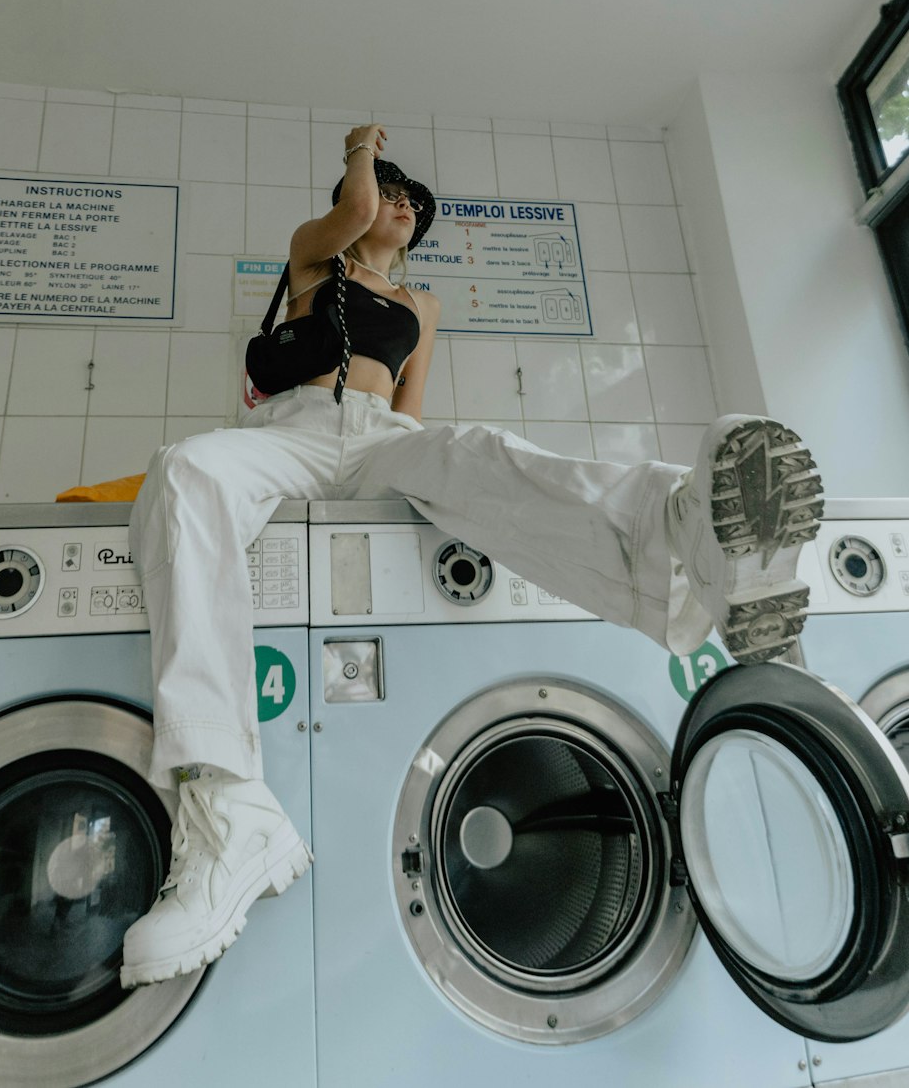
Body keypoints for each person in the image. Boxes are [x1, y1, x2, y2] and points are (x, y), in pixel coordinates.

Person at [120, 122, 823, 989]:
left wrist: (425, 472)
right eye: (399, 199)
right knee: (185, 470)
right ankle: (228, 814)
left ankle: (686, 535)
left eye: (418, 209)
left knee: (479, 453)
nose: (406, 213)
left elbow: (412, 415)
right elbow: (356, 208)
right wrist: (359, 149)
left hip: (378, 442)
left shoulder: (422, 309)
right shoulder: (314, 256)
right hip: (290, 433)